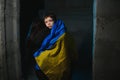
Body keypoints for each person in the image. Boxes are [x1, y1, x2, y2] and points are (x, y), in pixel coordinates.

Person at [33, 12, 78, 80]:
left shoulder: (63, 33)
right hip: (54, 54)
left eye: (50, 20)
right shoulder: (51, 33)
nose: (48, 23)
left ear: (55, 21)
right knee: (38, 65)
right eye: (46, 22)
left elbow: (63, 46)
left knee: (41, 63)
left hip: (62, 56)